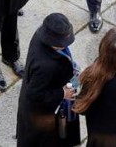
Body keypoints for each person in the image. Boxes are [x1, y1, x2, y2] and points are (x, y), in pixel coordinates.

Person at [16, 13, 80, 146]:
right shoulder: (45, 66)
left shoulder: (40, 35)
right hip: (42, 114)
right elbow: (34, 95)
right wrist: (62, 93)